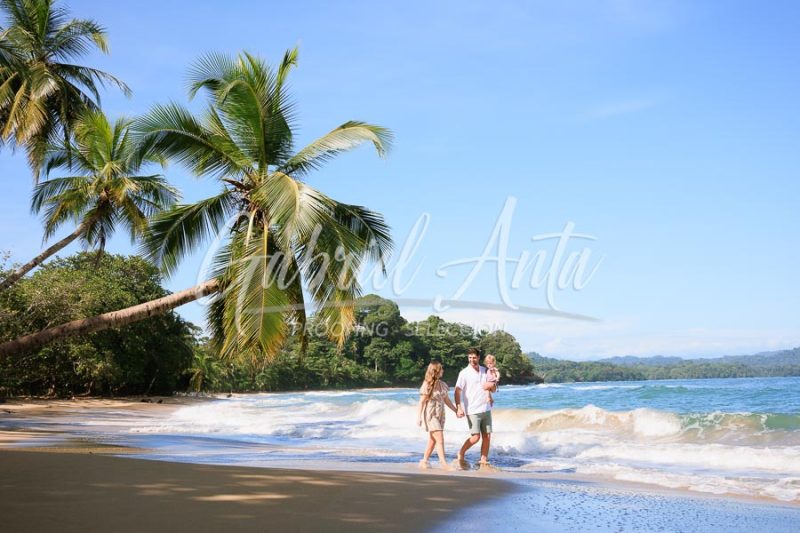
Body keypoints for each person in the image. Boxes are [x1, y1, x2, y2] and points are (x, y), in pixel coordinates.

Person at [454, 347, 497, 469]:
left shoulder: (485, 371)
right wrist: (459, 407)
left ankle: (483, 460)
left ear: (478, 357)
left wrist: (492, 386)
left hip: (486, 408)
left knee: (487, 436)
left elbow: (493, 389)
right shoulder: (464, 373)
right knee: (476, 437)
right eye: (470, 357)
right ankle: (461, 453)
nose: (472, 360)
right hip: (472, 410)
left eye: (474, 357)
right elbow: (457, 391)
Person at [417, 361, 459, 470]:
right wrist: (419, 417)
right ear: (436, 371)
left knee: (433, 439)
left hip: (440, 414)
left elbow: (447, 400)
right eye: (441, 369)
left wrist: (456, 410)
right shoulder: (427, 384)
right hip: (430, 414)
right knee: (439, 438)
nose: (443, 371)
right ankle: (444, 464)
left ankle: (424, 461)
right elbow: (421, 402)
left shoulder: (442, 384)